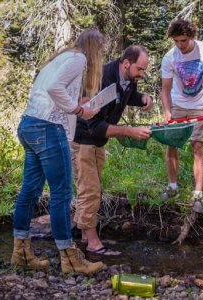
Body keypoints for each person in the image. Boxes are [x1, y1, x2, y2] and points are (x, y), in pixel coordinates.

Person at [11, 29, 106, 275]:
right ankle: (70, 260)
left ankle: (20, 252)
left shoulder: (61, 58)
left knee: (29, 192)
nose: (101, 56)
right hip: (49, 129)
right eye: (102, 51)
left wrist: (79, 102)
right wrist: (78, 110)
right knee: (62, 194)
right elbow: (55, 88)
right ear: (94, 48)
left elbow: (52, 90)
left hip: (29, 124)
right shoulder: (80, 59)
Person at [70, 45, 153, 254]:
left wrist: (143, 98)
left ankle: (83, 234)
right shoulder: (101, 79)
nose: (142, 74)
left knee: (92, 188)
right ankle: (93, 242)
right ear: (126, 64)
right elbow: (95, 126)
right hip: (83, 140)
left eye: (144, 70)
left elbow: (128, 94)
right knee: (90, 190)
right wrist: (128, 131)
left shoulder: (128, 78)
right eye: (140, 69)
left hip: (96, 143)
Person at [160, 19, 203, 212]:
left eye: (184, 41)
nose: (180, 45)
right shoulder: (170, 57)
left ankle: (198, 195)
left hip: (200, 106)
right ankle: (173, 188)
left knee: (197, 146)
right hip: (178, 105)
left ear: (192, 37)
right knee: (172, 145)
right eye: (176, 41)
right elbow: (165, 89)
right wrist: (167, 111)